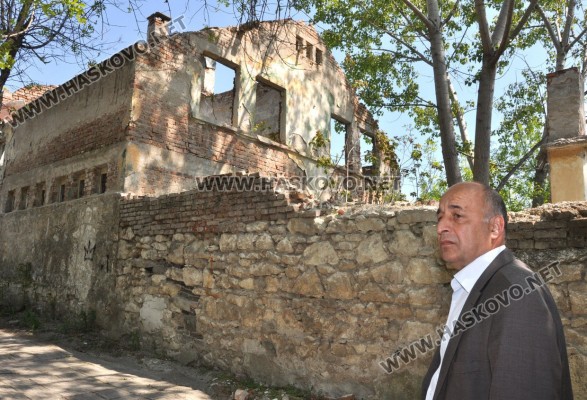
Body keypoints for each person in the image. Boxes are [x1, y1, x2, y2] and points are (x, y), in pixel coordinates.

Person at [421, 182, 573, 400]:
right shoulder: (473, 286)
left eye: (457, 216)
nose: (440, 227)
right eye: (440, 218)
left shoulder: (517, 293)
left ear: (495, 227)